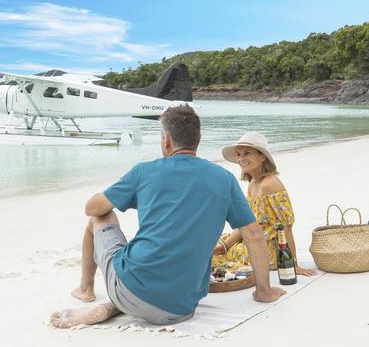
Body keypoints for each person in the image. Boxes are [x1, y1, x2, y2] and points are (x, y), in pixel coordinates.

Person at [49, 105, 285, 329]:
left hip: (130, 289)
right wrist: (264, 291)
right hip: (181, 307)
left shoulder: (144, 171)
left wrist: (123, 193)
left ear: (167, 140)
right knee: (163, 274)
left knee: (100, 217)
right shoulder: (224, 179)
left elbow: (92, 208)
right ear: (197, 140)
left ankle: (86, 289)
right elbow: (254, 235)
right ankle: (115, 306)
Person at [212, 132, 317, 276]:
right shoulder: (253, 184)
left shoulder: (270, 185)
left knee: (214, 256)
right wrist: (224, 245)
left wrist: (293, 265)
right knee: (213, 240)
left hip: (268, 251)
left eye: (247, 153)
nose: (241, 158)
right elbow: (246, 223)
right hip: (252, 239)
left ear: (262, 156)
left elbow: (286, 227)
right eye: (238, 154)